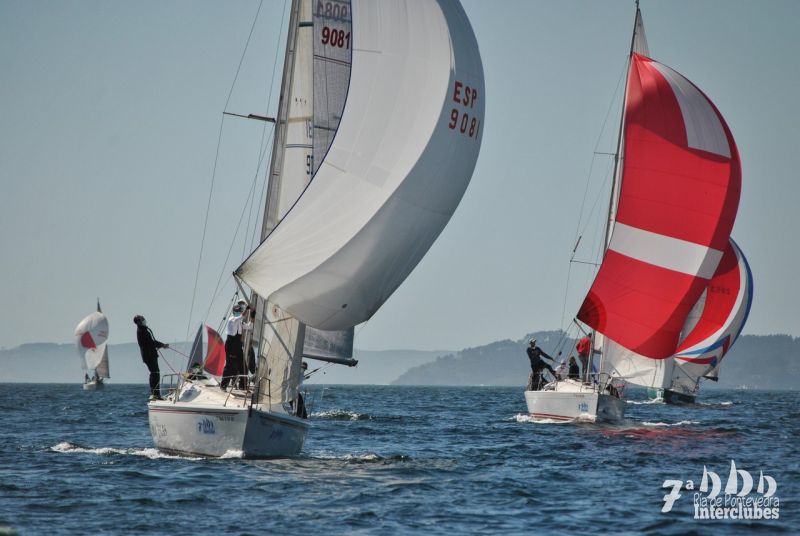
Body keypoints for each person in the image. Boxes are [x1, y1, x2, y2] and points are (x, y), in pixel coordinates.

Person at [134, 315, 168, 400]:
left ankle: (155, 394)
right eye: (142, 319)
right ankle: (155, 394)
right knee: (155, 373)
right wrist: (162, 345)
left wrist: (161, 345)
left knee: (155, 373)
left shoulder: (144, 330)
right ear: (138, 322)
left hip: (151, 355)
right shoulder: (142, 331)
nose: (144, 320)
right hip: (149, 356)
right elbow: (151, 343)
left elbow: (152, 342)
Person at [220, 303, 252, 390]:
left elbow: (249, 327)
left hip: (238, 347)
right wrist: (247, 309)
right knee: (229, 366)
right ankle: (223, 385)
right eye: (236, 311)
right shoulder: (232, 319)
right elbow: (241, 317)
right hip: (230, 346)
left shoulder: (240, 322)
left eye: (239, 311)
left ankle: (243, 386)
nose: (238, 313)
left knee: (243, 367)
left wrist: (253, 318)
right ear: (233, 312)